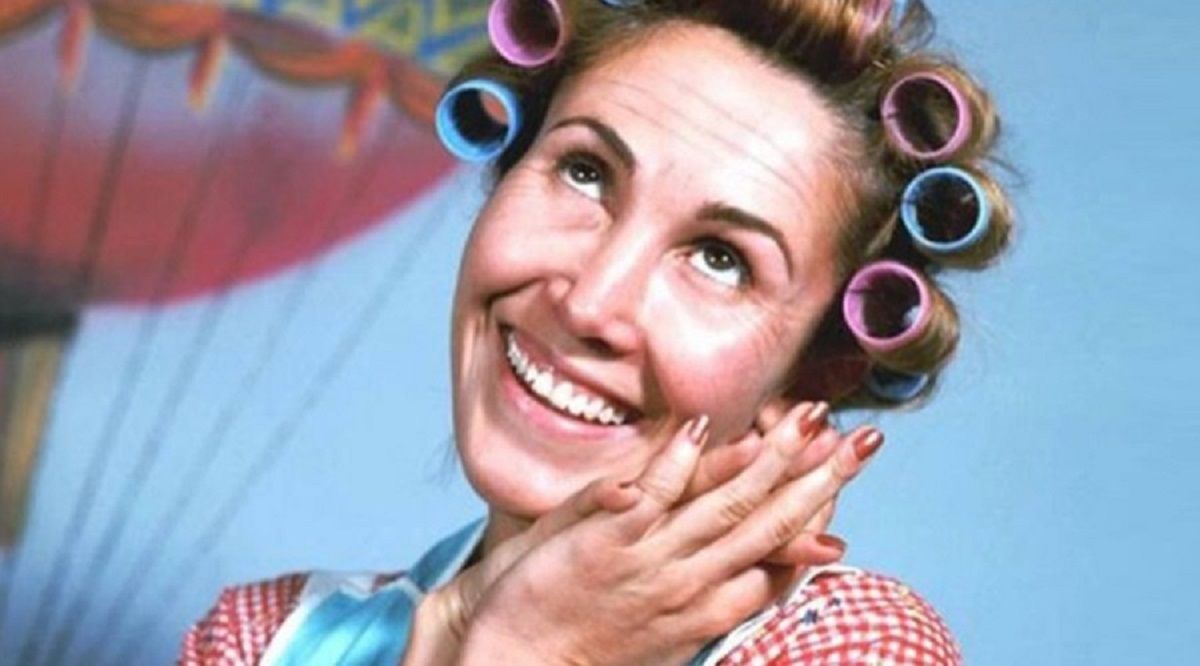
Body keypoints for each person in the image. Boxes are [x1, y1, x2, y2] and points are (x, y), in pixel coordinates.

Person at [181, 0, 1012, 663]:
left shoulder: (852, 647)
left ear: (817, 368)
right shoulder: (264, 639)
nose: (588, 304)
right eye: (584, 173)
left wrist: (531, 653)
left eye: (720, 259)